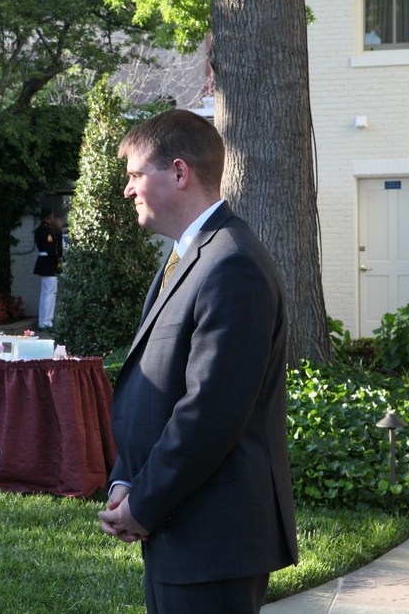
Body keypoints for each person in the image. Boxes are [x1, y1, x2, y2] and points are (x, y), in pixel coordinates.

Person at [97, 109, 298, 613]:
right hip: (180, 526)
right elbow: (156, 386)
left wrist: (143, 504)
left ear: (180, 173)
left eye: (136, 175)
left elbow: (209, 413)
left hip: (214, 534)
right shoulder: (188, 256)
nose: (128, 190)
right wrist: (126, 480)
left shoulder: (232, 263)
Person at [32, 207, 62, 329]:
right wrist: (57, 260)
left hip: (44, 262)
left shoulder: (41, 229)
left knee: (45, 293)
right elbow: (50, 249)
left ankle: (43, 321)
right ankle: (47, 322)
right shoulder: (46, 230)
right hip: (48, 263)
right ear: (49, 216)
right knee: (50, 293)